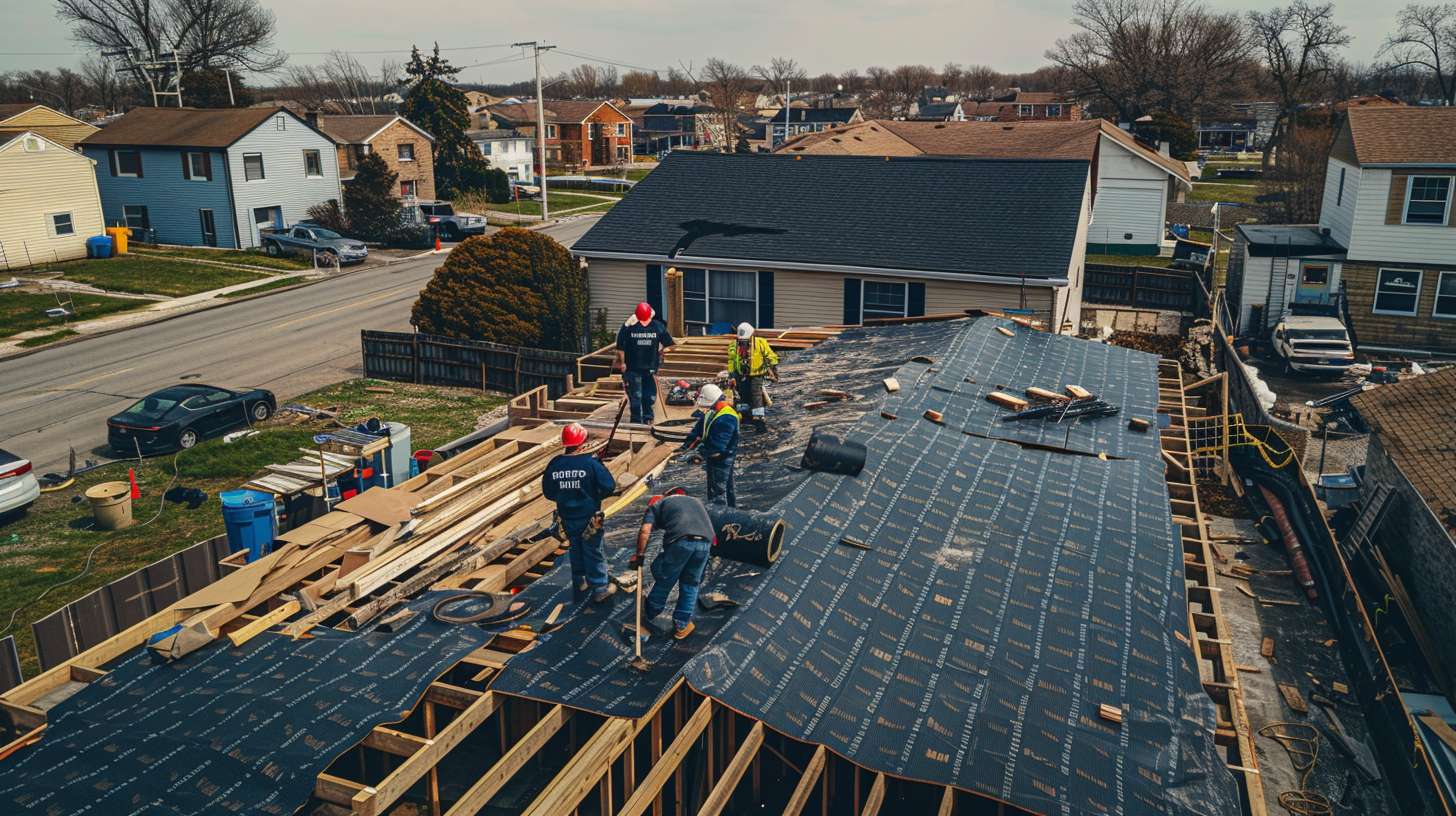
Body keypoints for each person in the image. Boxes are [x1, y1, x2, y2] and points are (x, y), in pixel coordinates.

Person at [541, 422, 617, 602]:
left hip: (567, 517)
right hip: (589, 517)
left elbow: (548, 492)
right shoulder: (590, 463)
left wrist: (564, 498)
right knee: (593, 551)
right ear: (582, 442)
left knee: (575, 549)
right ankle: (600, 588)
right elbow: (609, 486)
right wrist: (593, 495)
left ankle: (580, 582)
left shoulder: (555, 464)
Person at [631, 487, 716, 639]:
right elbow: (712, 535)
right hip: (705, 543)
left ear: (665, 496)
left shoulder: (657, 504)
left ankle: (650, 613)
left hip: (681, 541)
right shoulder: (696, 502)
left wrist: (640, 555)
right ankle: (681, 625)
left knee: (665, 578)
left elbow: (645, 531)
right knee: (691, 584)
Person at [679, 383, 740, 507]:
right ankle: (728, 510)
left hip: (723, 458)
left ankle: (721, 514)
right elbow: (698, 430)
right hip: (713, 456)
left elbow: (717, 447)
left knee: (719, 492)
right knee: (720, 488)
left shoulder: (727, 418)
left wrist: (699, 454)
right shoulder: (712, 412)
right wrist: (686, 446)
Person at [615, 302, 674, 425]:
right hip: (642, 368)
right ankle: (643, 420)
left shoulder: (629, 327)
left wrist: (623, 363)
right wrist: (661, 351)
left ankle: (641, 421)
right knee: (643, 396)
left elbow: (620, 347)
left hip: (640, 368)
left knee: (641, 396)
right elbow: (670, 345)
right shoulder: (656, 326)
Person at [727, 322, 779, 431]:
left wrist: (773, 368)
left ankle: (759, 420)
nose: (743, 342)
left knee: (756, 396)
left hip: (756, 374)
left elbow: (770, 355)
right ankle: (746, 416)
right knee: (743, 394)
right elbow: (731, 360)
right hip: (740, 374)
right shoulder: (734, 345)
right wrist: (731, 375)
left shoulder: (760, 342)